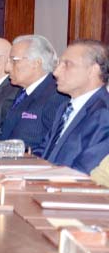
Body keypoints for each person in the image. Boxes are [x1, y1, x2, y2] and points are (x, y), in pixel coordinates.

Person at [40, 40, 109, 173]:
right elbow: (44, 152)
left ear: (93, 70)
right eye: (59, 64)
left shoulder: (104, 114)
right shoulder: (65, 107)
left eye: (67, 65)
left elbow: (85, 171)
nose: (56, 72)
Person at [0, 34, 68, 155]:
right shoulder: (22, 91)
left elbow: (53, 146)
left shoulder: (56, 95)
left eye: (14, 61)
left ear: (36, 63)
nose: (7, 68)